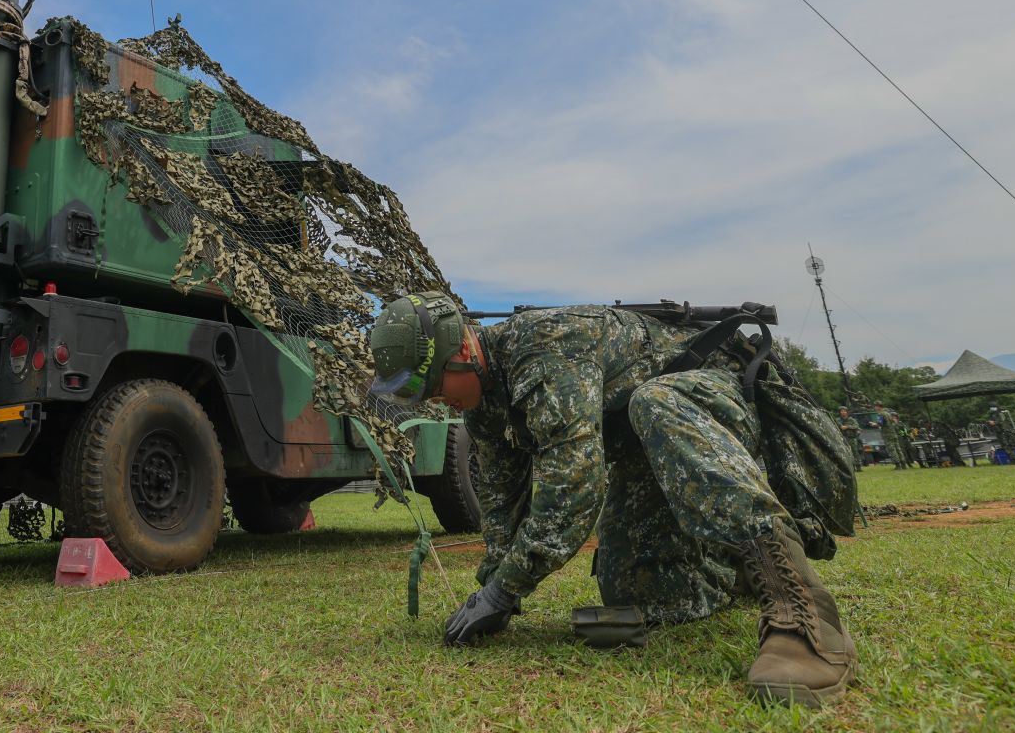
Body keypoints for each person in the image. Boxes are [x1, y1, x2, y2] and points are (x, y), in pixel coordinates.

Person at [367, 295, 857, 708]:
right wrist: (492, 591)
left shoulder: (543, 347)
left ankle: (803, 612)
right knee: (634, 592)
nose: (433, 400)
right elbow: (501, 503)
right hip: (656, 455)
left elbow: (572, 489)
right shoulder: (485, 404)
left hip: (727, 419)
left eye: (428, 385)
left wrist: (507, 589)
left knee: (656, 400)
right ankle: (731, 573)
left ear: (464, 350)